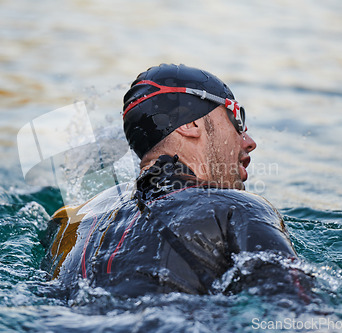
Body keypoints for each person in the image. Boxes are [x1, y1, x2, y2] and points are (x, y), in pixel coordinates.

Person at [40, 64, 300, 298]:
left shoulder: (71, 221)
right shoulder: (239, 208)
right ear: (191, 125)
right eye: (237, 119)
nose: (248, 141)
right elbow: (294, 306)